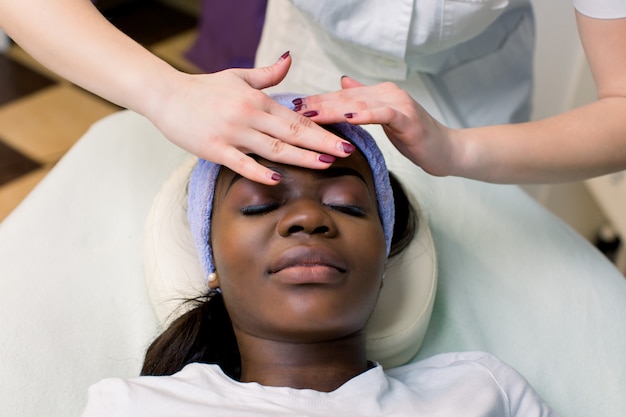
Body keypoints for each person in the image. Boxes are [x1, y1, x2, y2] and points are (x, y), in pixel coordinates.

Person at [79, 109, 557, 416]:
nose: (308, 218)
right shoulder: (137, 406)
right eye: (259, 205)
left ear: (383, 260)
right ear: (214, 265)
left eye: (347, 203)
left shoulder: (479, 392)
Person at [0, 1, 625, 187]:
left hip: (475, 97)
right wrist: (163, 93)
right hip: (303, 61)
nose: (308, 225)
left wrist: (459, 152)